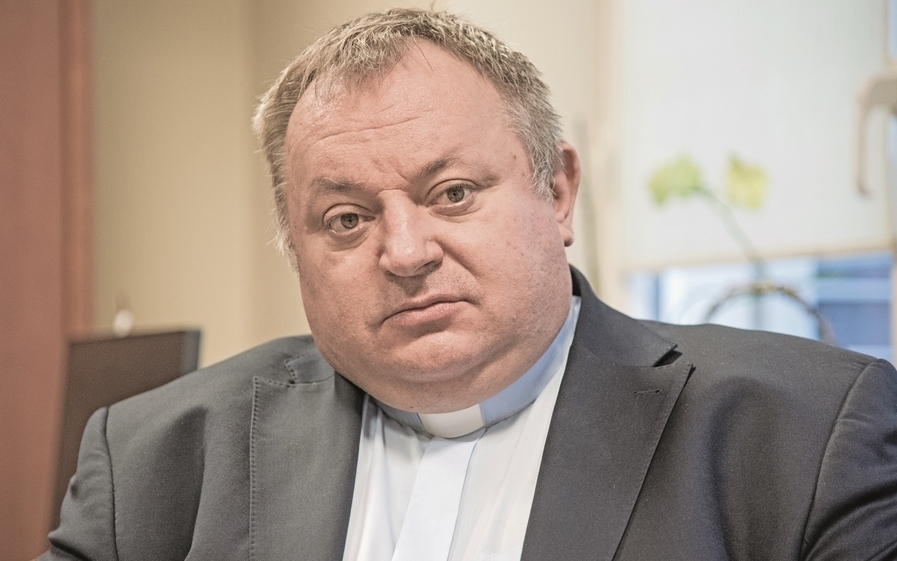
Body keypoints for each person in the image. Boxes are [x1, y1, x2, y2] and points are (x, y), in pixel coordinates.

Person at [42, 9, 897, 561]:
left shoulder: (803, 435)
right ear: (294, 248)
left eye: (451, 193)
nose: (405, 251)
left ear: (555, 191)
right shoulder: (152, 460)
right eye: (346, 218)